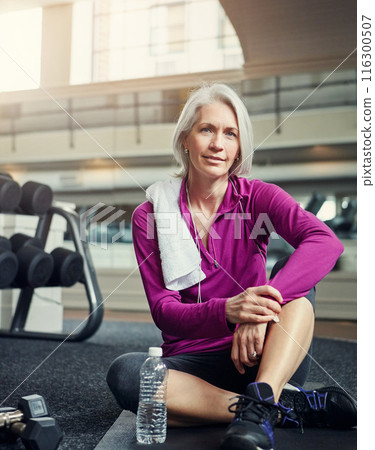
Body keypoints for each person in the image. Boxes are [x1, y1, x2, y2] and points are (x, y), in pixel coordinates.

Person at [107, 83, 356, 449]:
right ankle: (269, 409)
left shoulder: (258, 196)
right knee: (127, 375)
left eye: (230, 134)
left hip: (264, 356)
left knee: (298, 295)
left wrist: (254, 315)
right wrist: (228, 311)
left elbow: (325, 242)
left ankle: (260, 395)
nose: (217, 144)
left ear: (239, 147)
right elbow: (165, 311)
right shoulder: (151, 215)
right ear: (186, 139)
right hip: (193, 363)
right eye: (206, 129)